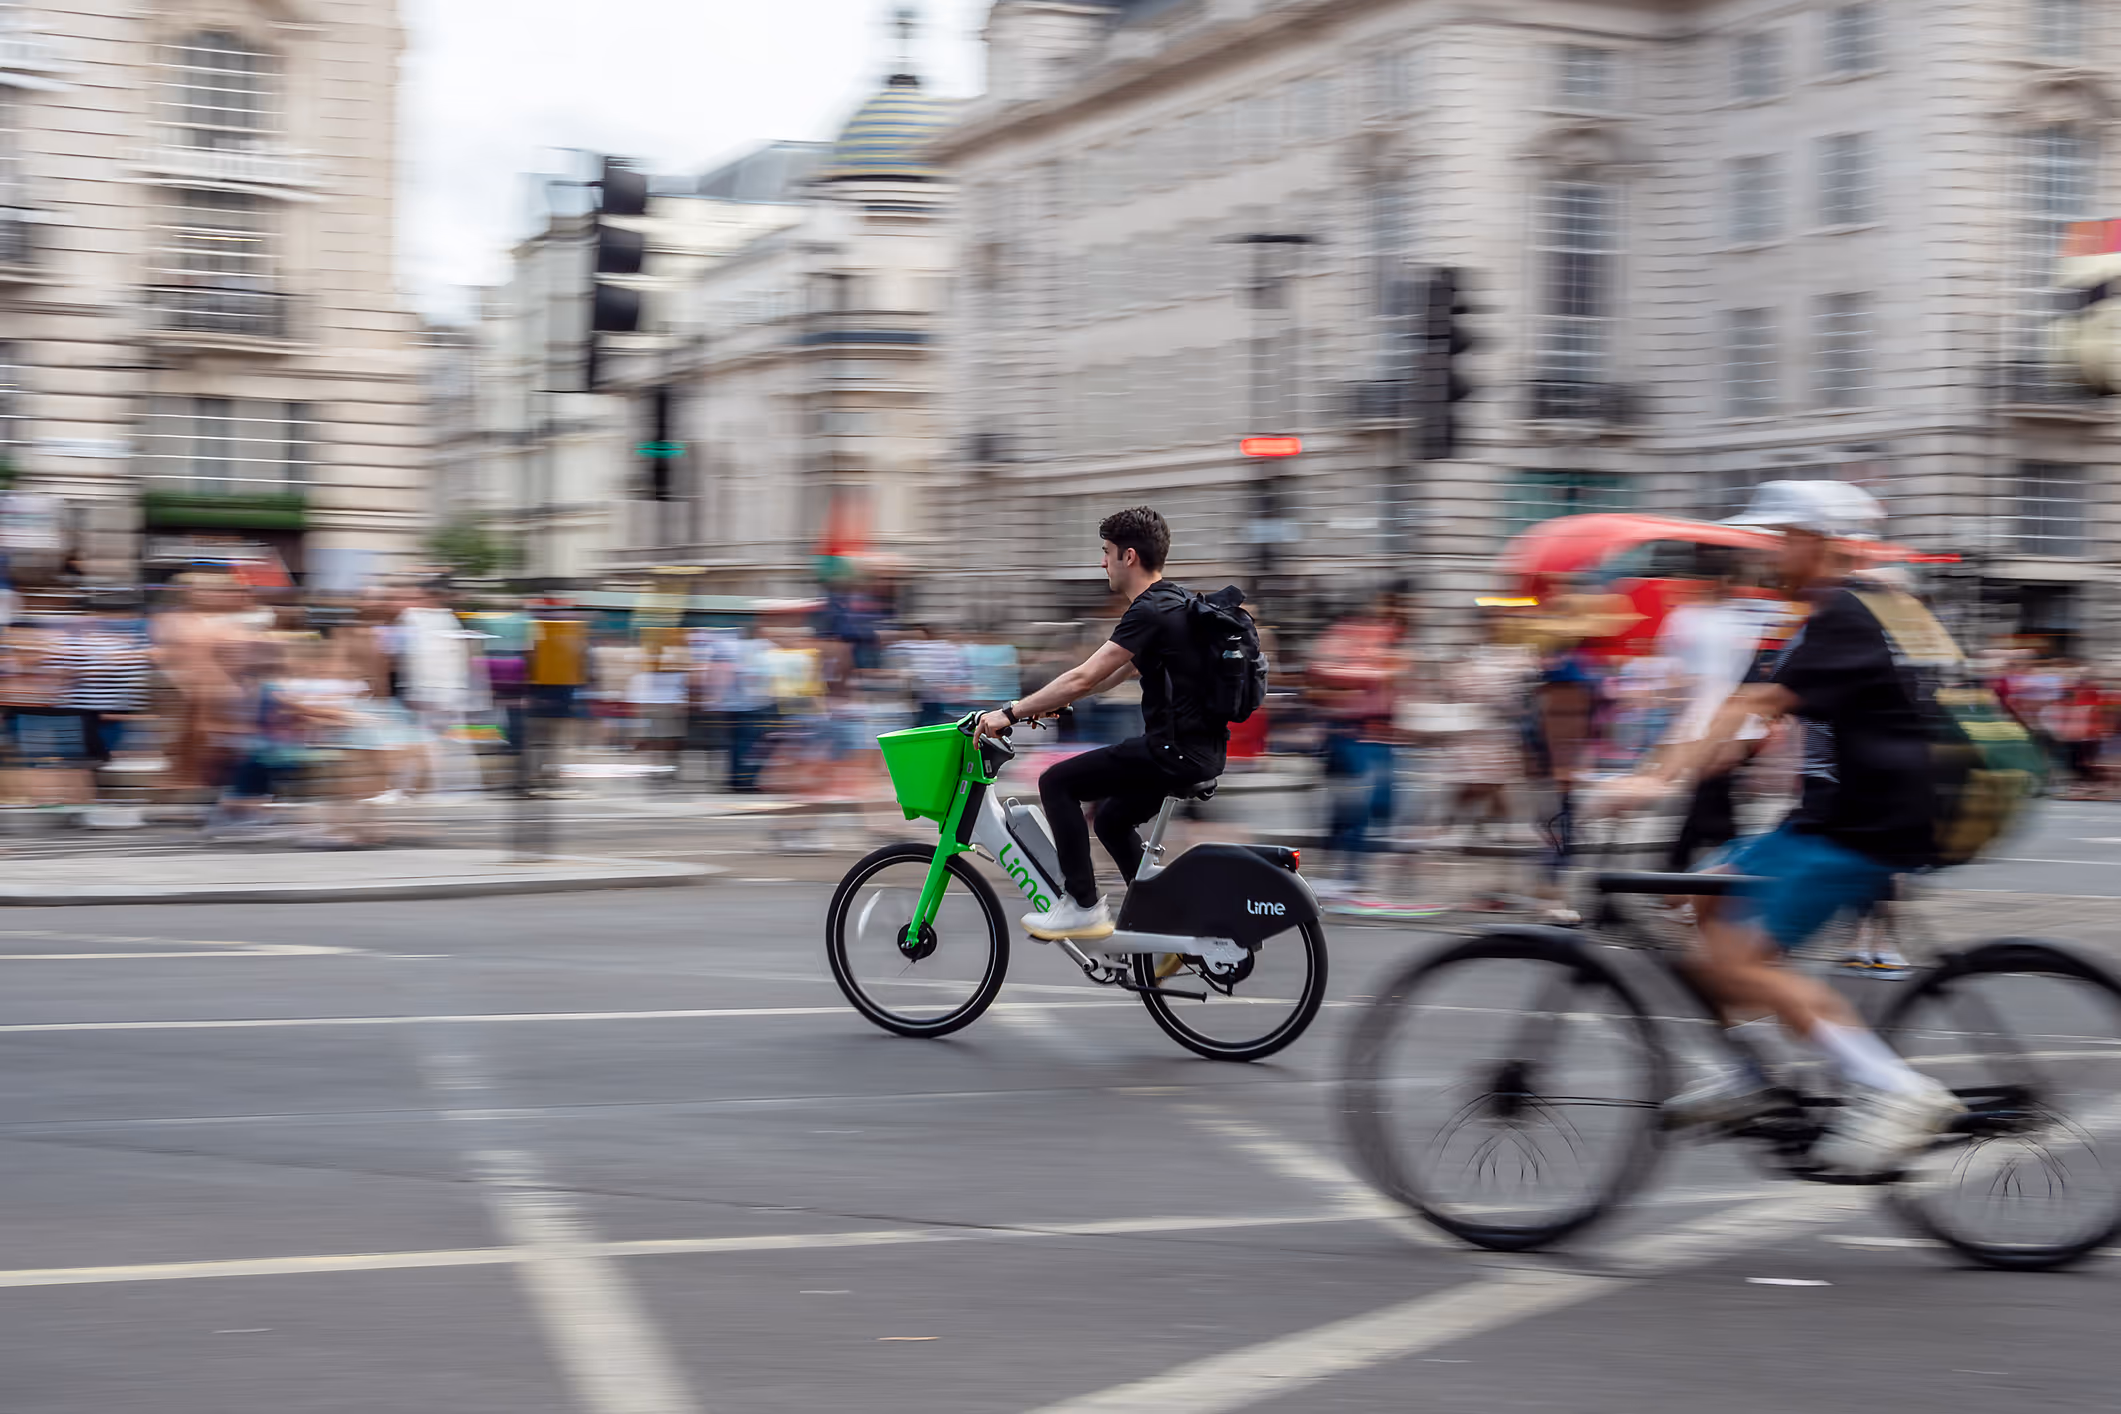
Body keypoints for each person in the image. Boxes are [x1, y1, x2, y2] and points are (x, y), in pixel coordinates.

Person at [1599, 480, 1963, 1176]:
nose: (1764, 548)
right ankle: (1746, 1077)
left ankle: (1899, 1092)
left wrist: (1655, 782)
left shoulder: (1849, 613)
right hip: (1831, 813)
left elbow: (1752, 702)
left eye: (1778, 536)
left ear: (1816, 542)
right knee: (1699, 896)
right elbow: (1746, 720)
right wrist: (1670, 765)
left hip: (1863, 823)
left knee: (1737, 960)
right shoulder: (1823, 616)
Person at [974, 506, 1226, 941]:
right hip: (1197, 751)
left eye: (1106, 552)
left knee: (1057, 782)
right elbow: (1105, 680)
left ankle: (1082, 906)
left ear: (1129, 556)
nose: (1102, 561)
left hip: (1171, 751)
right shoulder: (1177, 602)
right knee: (1110, 819)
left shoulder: (1149, 611)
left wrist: (1009, 712)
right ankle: (1162, 923)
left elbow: (1083, 676)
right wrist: (1043, 705)